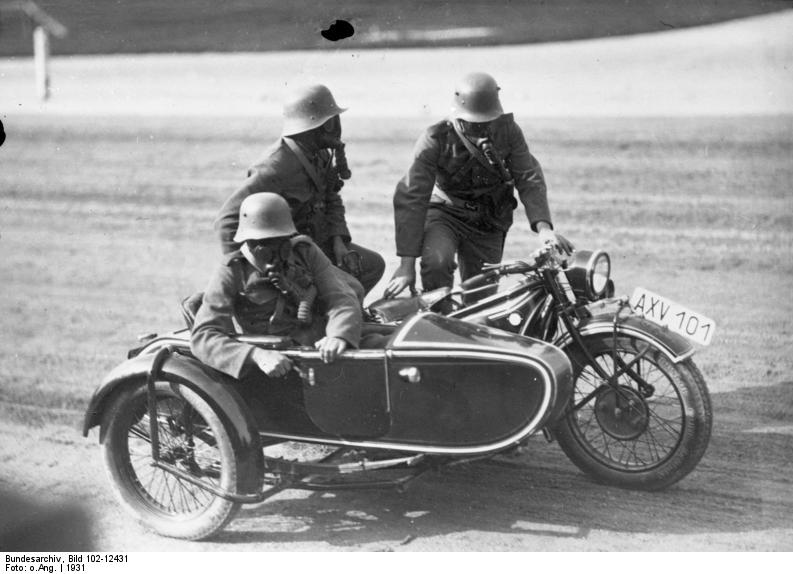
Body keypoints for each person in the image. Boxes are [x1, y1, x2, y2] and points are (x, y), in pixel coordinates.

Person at [384, 72, 571, 300]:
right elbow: (412, 195)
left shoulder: (509, 132)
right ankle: (438, 321)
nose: (480, 129)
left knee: (481, 295)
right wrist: (406, 265)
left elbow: (528, 177)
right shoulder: (436, 138)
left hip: (488, 221)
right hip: (446, 214)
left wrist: (544, 229)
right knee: (437, 262)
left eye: (487, 122)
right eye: (472, 123)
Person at [214, 84, 385, 297]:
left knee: (372, 265)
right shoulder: (274, 167)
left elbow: (331, 197)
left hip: (318, 246)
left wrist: (338, 240)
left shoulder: (318, 154)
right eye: (330, 121)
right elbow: (227, 221)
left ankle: (331, 312)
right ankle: (323, 318)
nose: (336, 126)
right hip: (289, 255)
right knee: (352, 289)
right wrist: (248, 273)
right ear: (315, 125)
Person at [191, 193, 362, 379]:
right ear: (250, 242)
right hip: (275, 367)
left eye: (281, 240)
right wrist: (256, 355)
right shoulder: (232, 271)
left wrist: (339, 335)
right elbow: (203, 336)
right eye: (264, 242)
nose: (278, 248)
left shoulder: (305, 252)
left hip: (320, 349)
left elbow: (341, 297)